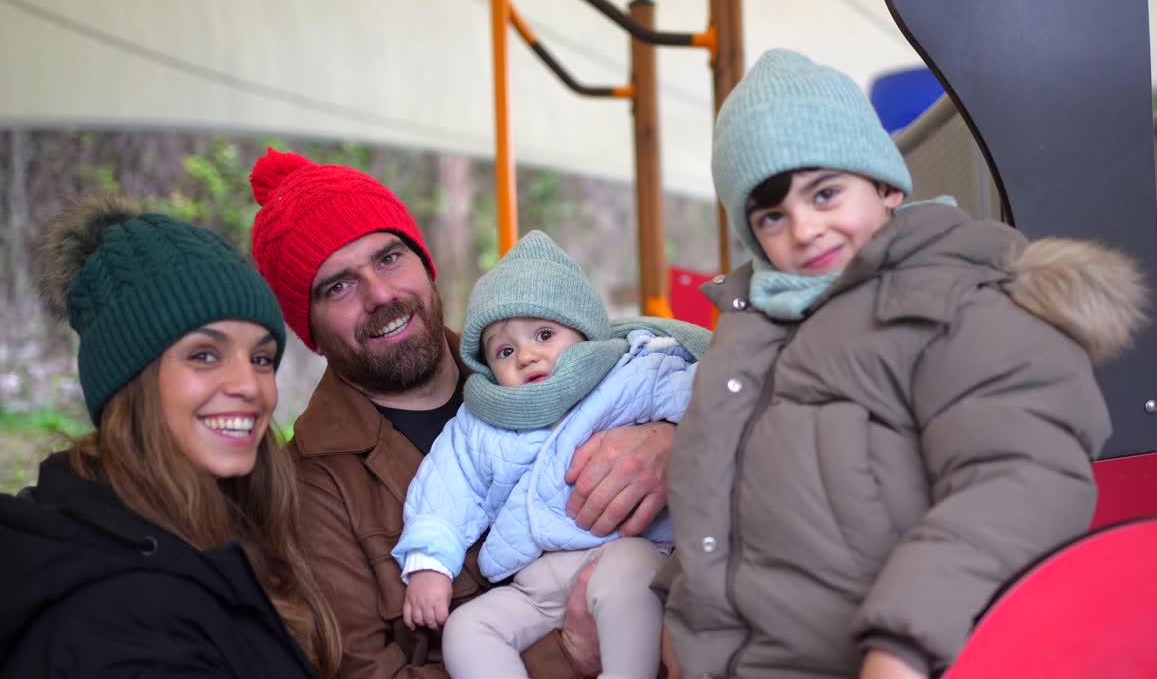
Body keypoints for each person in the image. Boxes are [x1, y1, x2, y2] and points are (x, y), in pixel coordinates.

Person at [657, 49, 1148, 678]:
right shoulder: (751, 333)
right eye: (773, 216)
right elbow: (719, 486)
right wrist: (677, 605)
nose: (805, 229)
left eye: (826, 193)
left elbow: (1019, 478)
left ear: (886, 186)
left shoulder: (961, 305)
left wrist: (904, 643)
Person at [248, 149, 680, 678]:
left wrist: (674, 441)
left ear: (425, 264)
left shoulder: (562, 356)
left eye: (388, 258)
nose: (381, 294)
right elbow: (364, 674)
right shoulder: (310, 490)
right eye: (338, 285)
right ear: (309, 328)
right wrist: (565, 654)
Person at [0, 199, 342, 678]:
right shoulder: (121, 613)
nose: (250, 385)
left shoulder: (223, 522)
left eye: (261, 358)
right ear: (129, 380)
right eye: (205, 355)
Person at [391, 231, 708, 679]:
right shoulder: (481, 421)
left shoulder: (632, 372)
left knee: (628, 580)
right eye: (505, 349)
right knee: (468, 627)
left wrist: (679, 431)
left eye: (544, 333)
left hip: (627, 553)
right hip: (534, 582)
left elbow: (713, 405)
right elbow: (446, 488)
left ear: (585, 332)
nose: (526, 355)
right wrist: (429, 565)